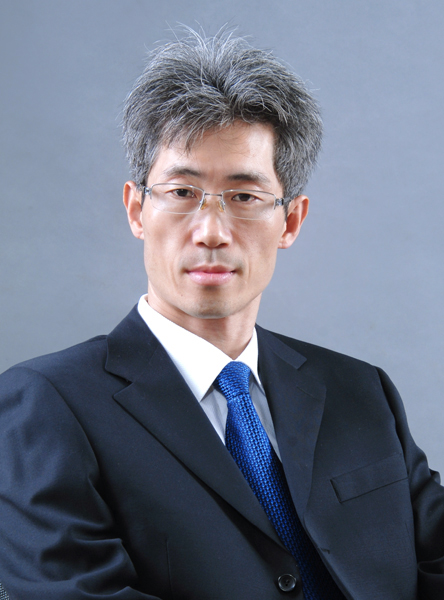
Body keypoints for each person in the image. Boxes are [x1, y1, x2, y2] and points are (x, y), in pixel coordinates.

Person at [0, 29, 443, 600]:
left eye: (245, 197)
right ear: (136, 210)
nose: (211, 232)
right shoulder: (44, 406)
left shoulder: (362, 392)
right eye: (182, 193)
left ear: (290, 221)